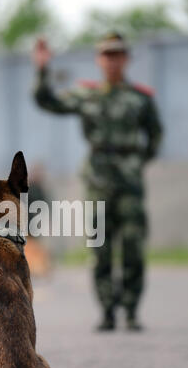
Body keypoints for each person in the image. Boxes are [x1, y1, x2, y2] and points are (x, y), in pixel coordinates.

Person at [32, 32, 163, 331]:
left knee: (132, 247)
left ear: (125, 59)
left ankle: (130, 310)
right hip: (97, 182)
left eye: (117, 54)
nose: (112, 60)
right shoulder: (86, 94)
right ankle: (107, 311)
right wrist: (42, 68)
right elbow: (47, 102)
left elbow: (155, 135)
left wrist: (138, 161)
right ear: (98, 59)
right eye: (106, 54)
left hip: (129, 184)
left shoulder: (140, 98)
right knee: (99, 246)